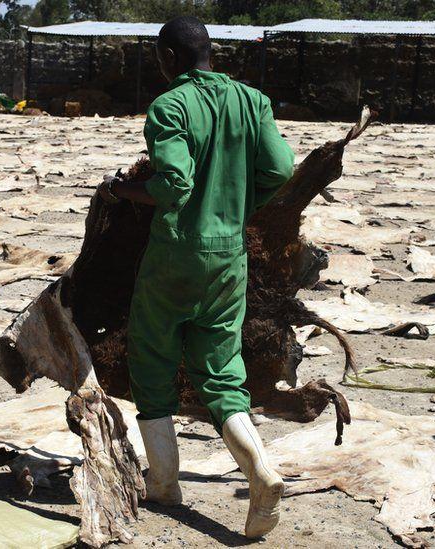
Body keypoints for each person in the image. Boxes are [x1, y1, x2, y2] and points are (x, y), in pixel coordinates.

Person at [98, 15, 296, 540]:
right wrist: (237, 207)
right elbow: (280, 170)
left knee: (152, 357)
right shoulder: (253, 101)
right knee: (221, 369)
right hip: (230, 255)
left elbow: (174, 185)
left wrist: (122, 191)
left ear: (168, 58)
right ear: (213, 52)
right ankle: (260, 471)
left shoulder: (170, 106)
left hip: (175, 255)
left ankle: (163, 485)